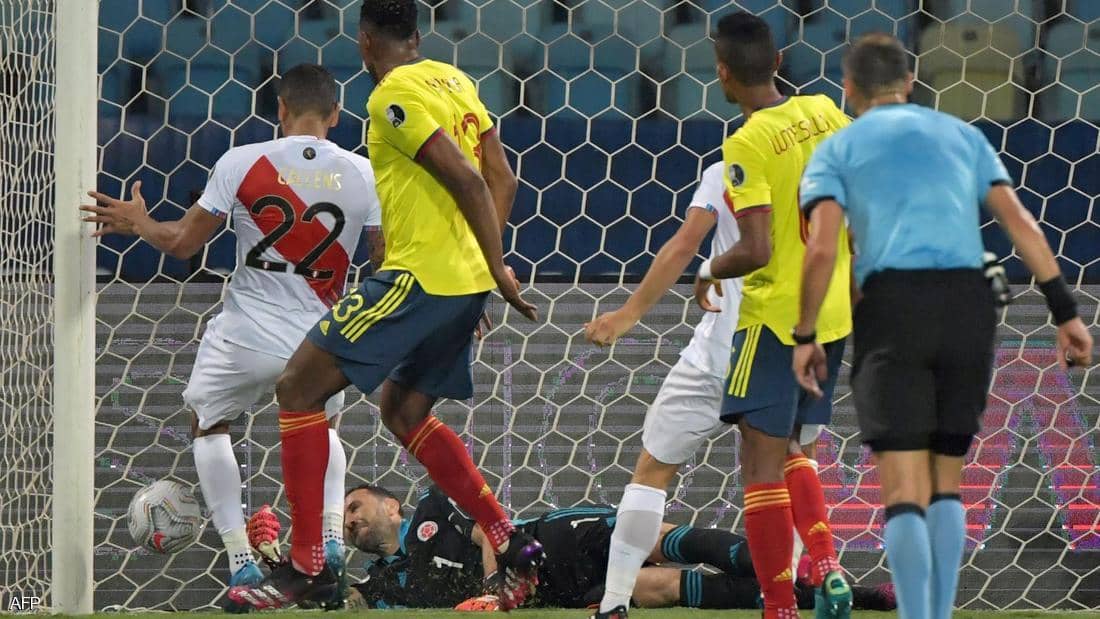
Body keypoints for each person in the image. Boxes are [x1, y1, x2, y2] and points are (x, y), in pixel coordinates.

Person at [227, 0, 542, 611]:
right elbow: (502, 177)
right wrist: (483, 270)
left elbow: (469, 180)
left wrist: (497, 270)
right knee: (403, 410)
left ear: (365, 40)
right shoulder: (456, 81)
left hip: (417, 278)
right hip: (459, 284)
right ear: (417, 35)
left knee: (297, 388)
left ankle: (308, 567)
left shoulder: (390, 95)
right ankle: (508, 539)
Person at [792, 33, 1094, 619]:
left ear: (848, 89)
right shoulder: (961, 135)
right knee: (947, 480)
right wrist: (1065, 312)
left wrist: (806, 335)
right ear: (910, 83)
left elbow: (823, 249)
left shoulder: (837, 149)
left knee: (903, 488)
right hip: (967, 304)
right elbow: (1020, 223)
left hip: (891, 307)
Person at [79, 64, 383, 610]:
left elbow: (181, 244)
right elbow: (386, 263)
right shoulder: (365, 174)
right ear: (337, 115)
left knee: (208, 423)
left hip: (247, 336)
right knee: (323, 428)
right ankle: (331, 544)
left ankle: (242, 558)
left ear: (280, 110)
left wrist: (139, 221)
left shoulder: (242, 162)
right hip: (321, 340)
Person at [691, 12, 855, 619]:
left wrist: (709, 269)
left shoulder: (748, 141)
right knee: (791, 445)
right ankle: (827, 564)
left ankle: (779, 608)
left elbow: (756, 249)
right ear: (779, 61)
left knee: (759, 464)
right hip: (831, 313)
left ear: (722, 74)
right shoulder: (826, 112)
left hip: (774, 319)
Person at [239, 484, 894, 611]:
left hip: (549, 542)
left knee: (662, 543)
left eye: (356, 506)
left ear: (391, 506)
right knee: (660, 587)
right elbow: (338, 601)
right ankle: (824, 599)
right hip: (552, 591)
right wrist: (278, 568)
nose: (352, 520)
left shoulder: (433, 509)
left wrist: (496, 590)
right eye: (346, 518)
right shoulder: (382, 583)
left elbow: (490, 530)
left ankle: (817, 573)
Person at [583, 160, 749, 617]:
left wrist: (627, 314)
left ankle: (614, 604)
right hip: (782, 350)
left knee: (652, 472)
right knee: (785, 476)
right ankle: (793, 595)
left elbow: (684, 244)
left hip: (717, 355)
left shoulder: (733, 163)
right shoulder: (824, 158)